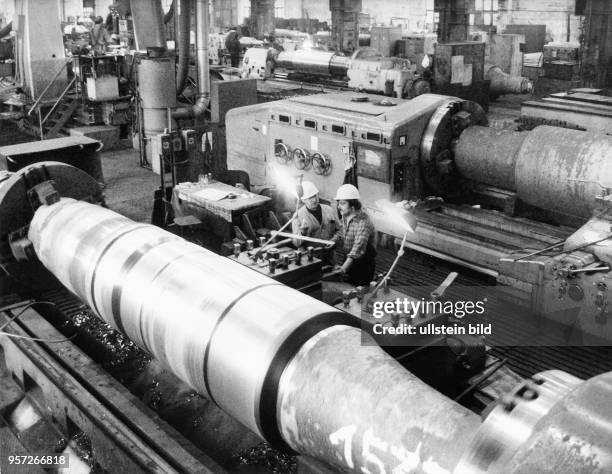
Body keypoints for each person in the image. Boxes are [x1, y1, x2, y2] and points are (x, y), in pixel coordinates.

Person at [332, 184, 377, 286]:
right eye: (338, 203)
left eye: (342, 203)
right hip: (349, 258)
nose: (339, 206)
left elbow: (358, 247)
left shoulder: (364, 221)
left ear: (353, 206)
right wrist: (331, 241)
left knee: (359, 293)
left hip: (363, 264)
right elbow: (342, 232)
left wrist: (344, 268)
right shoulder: (345, 215)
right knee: (346, 288)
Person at [292, 181, 338, 264]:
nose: (314, 200)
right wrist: (303, 232)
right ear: (303, 200)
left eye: (315, 196)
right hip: (309, 259)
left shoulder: (329, 210)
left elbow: (340, 230)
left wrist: (334, 240)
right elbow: (296, 243)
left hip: (329, 257)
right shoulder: (298, 216)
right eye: (310, 198)